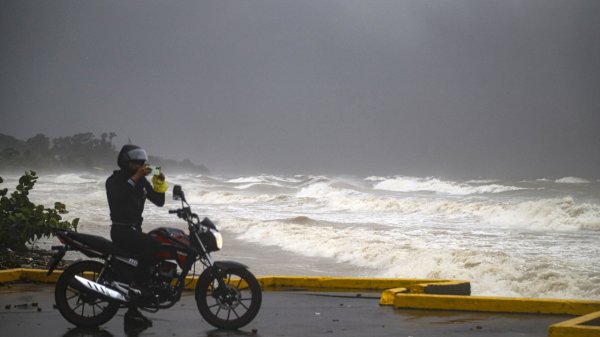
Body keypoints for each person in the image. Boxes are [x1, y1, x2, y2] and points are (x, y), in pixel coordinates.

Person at [106, 144, 168, 326]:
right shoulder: (114, 180)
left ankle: (133, 310)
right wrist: (136, 177)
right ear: (125, 162)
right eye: (136, 163)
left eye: (142, 163)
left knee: (156, 244)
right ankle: (139, 288)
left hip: (134, 230)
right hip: (121, 230)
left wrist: (159, 182)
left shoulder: (140, 182)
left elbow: (159, 201)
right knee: (153, 246)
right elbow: (120, 197)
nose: (140, 166)